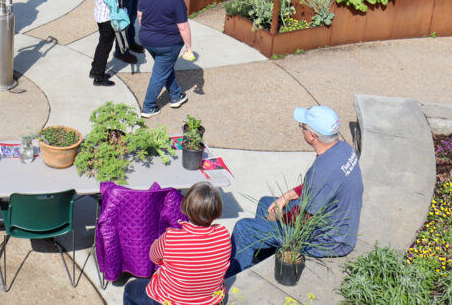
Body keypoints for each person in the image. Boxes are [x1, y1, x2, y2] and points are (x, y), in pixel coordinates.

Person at [229, 105, 362, 276]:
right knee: (266, 203)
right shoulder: (343, 149)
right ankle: (262, 259)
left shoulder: (323, 170)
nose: (302, 130)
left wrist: (280, 217)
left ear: (313, 136)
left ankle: (232, 278)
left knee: (244, 229)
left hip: (327, 241)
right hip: (339, 226)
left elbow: (303, 219)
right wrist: (286, 196)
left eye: (303, 127)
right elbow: (316, 187)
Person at [122, 182, 231, 305]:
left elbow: (154, 258)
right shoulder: (223, 235)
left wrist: (157, 244)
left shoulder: (171, 238)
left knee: (130, 289)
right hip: (209, 300)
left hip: (170, 300)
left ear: (186, 207)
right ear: (217, 210)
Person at [137, 0, 193, 118]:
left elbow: (140, 17)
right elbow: (183, 27)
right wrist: (188, 47)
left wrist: (149, 31)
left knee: (164, 68)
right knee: (159, 73)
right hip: (168, 43)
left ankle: (176, 95)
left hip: (147, 39)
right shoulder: (176, 0)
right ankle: (148, 107)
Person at [91, 0, 140, 82]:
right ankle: (99, 77)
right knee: (105, 46)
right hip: (110, 17)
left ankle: (94, 69)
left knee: (102, 42)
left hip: (100, 15)